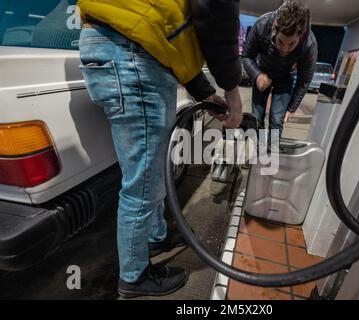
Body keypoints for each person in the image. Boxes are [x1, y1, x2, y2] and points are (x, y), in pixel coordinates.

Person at [76, 0, 242, 297]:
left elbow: (167, 37)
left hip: (136, 48)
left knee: (152, 171)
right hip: (133, 53)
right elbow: (216, 12)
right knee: (142, 185)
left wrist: (205, 93)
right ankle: (134, 277)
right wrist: (232, 89)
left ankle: (156, 236)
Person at [242, 0, 317, 145]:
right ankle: (257, 150)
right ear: (275, 27)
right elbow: (246, 56)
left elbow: (304, 80)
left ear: (301, 35)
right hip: (262, 72)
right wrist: (257, 75)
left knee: (277, 120)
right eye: (281, 42)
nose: (285, 48)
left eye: (291, 44)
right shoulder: (262, 25)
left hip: (285, 78)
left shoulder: (309, 44)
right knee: (257, 117)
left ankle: (271, 155)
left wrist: (291, 108)